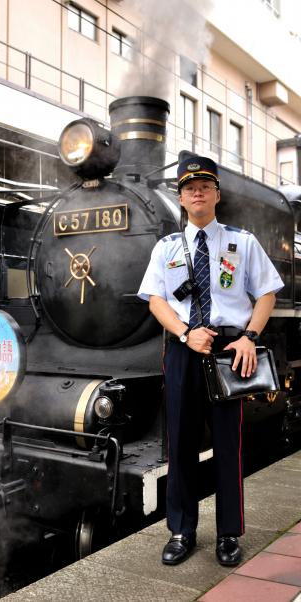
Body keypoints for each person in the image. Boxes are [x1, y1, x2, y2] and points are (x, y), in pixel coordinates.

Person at [138, 156, 284, 567]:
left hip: (229, 351)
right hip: (185, 350)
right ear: (181, 198)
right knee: (181, 445)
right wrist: (185, 333)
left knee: (228, 446)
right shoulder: (165, 248)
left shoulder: (243, 242)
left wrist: (250, 338)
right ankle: (181, 532)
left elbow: (268, 293)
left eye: (204, 185)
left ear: (217, 194)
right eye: (188, 187)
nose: (197, 191)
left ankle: (228, 535)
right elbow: (155, 300)